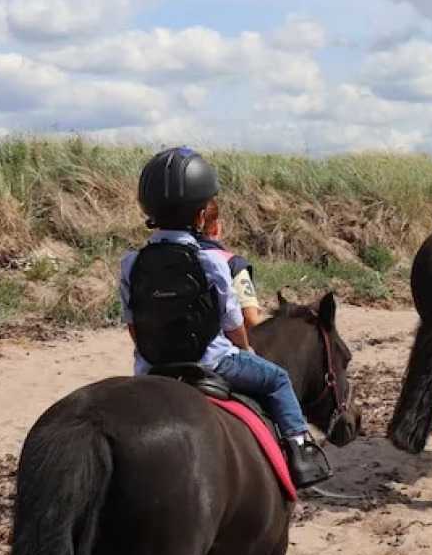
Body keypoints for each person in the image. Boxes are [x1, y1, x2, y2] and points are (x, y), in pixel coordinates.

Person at [120, 145, 333, 488]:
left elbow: (133, 323)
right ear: (202, 215)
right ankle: (301, 451)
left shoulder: (131, 262)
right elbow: (233, 321)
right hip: (212, 361)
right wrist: (245, 349)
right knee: (277, 379)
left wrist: (152, 353)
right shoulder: (214, 261)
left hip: (151, 366)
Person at [198, 206, 264, 330]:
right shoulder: (232, 264)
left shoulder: (163, 258)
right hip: (216, 346)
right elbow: (251, 320)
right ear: (216, 228)